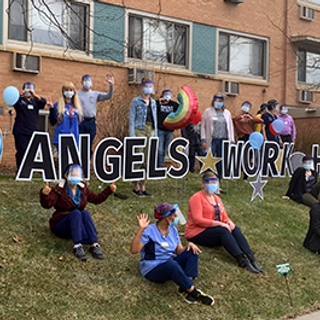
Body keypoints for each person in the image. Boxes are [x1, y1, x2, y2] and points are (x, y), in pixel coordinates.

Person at [130, 203, 214, 305]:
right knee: (171, 264)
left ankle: (184, 287)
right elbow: (134, 250)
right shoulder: (149, 230)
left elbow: (178, 250)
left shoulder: (173, 230)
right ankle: (194, 292)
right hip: (153, 268)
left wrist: (188, 246)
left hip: (170, 263)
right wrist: (141, 229)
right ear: (167, 217)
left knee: (192, 251)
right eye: (174, 215)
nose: (177, 218)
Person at [185, 171, 263, 274]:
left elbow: (224, 216)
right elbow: (197, 219)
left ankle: (250, 257)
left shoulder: (217, 198)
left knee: (235, 229)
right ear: (203, 183)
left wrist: (229, 222)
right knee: (223, 231)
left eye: (215, 182)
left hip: (214, 229)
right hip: (198, 231)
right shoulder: (196, 198)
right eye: (209, 182)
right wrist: (220, 224)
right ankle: (242, 260)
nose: (212, 185)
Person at [40, 164, 116, 260]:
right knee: (76, 213)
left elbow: (96, 199)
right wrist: (44, 195)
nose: (75, 177)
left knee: (84, 213)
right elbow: (47, 205)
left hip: (77, 225)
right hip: (61, 224)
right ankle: (77, 246)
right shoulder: (59, 190)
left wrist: (109, 190)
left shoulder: (83, 189)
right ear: (66, 175)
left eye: (77, 175)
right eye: (72, 174)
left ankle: (94, 245)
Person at [129, 78, 158, 197]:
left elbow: (155, 118)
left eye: (150, 86)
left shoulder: (153, 102)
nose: (148, 88)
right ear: (142, 87)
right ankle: (136, 186)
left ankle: (143, 185)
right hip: (139, 130)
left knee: (147, 159)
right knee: (139, 157)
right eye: (146, 86)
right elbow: (131, 118)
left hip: (150, 130)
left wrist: (155, 133)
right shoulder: (136, 101)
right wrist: (132, 134)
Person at [201, 93, 234, 184]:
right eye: (216, 101)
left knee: (221, 161)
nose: (218, 103)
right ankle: (207, 180)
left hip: (223, 140)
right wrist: (203, 139)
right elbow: (202, 126)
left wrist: (231, 141)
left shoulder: (227, 113)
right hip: (212, 140)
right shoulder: (208, 111)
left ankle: (218, 181)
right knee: (209, 161)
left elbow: (230, 127)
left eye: (220, 101)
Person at [78, 74, 115, 157]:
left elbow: (108, 96)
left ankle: (86, 162)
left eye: (89, 80)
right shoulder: (77, 94)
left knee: (89, 144)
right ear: (81, 82)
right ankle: (78, 164)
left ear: (91, 83)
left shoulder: (95, 94)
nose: (87, 82)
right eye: (85, 80)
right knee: (79, 144)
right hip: (80, 121)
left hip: (91, 122)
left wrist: (111, 85)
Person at [12, 82, 47, 171]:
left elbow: (43, 102)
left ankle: (28, 170)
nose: (28, 91)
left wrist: (35, 95)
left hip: (33, 130)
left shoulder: (35, 101)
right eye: (26, 89)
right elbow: (13, 101)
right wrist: (21, 94)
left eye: (30, 89)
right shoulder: (19, 100)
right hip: (21, 130)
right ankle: (20, 170)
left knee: (31, 152)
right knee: (22, 150)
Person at [232, 101, 264, 182]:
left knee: (248, 157)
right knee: (238, 156)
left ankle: (245, 177)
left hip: (250, 138)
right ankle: (235, 174)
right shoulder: (237, 118)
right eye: (244, 106)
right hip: (241, 137)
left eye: (247, 106)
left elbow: (261, 121)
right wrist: (241, 117)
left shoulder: (250, 118)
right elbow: (232, 118)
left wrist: (250, 117)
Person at [48, 82, 83, 149]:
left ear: (74, 92)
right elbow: (53, 122)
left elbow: (80, 123)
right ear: (63, 92)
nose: (69, 92)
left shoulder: (78, 107)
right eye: (66, 90)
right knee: (63, 158)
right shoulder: (57, 105)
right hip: (61, 137)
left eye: (71, 90)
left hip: (74, 138)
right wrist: (51, 109)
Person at [156, 89, 179, 167]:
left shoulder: (174, 105)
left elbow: (181, 111)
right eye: (166, 94)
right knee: (160, 150)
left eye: (169, 94)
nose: (167, 96)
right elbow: (152, 108)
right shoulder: (159, 103)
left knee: (165, 149)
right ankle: (158, 167)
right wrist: (159, 101)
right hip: (160, 129)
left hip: (169, 130)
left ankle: (161, 166)